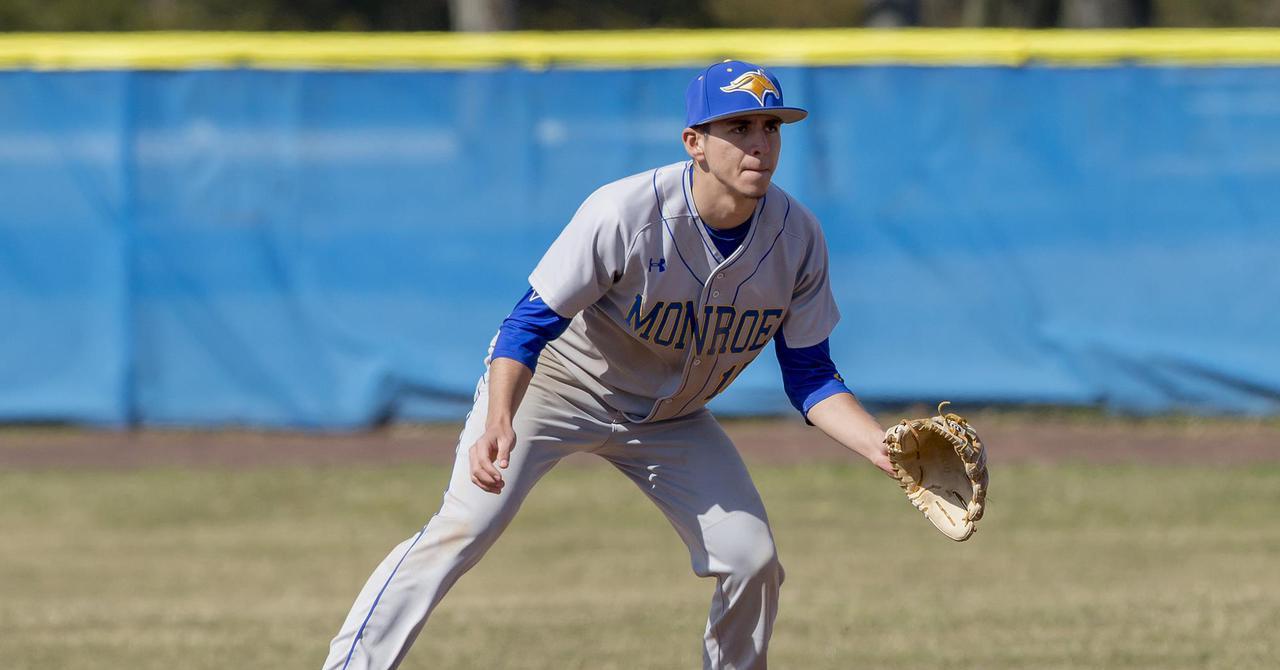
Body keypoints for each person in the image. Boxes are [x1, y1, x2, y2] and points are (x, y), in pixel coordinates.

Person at [322, 60, 894, 670]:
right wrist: (499, 418)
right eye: (739, 127)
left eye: (770, 127)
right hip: (560, 389)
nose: (760, 143)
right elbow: (527, 324)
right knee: (464, 528)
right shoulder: (626, 211)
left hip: (673, 418)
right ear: (694, 143)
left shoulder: (798, 237)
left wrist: (884, 449)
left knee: (752, 559)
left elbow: (811, 376)